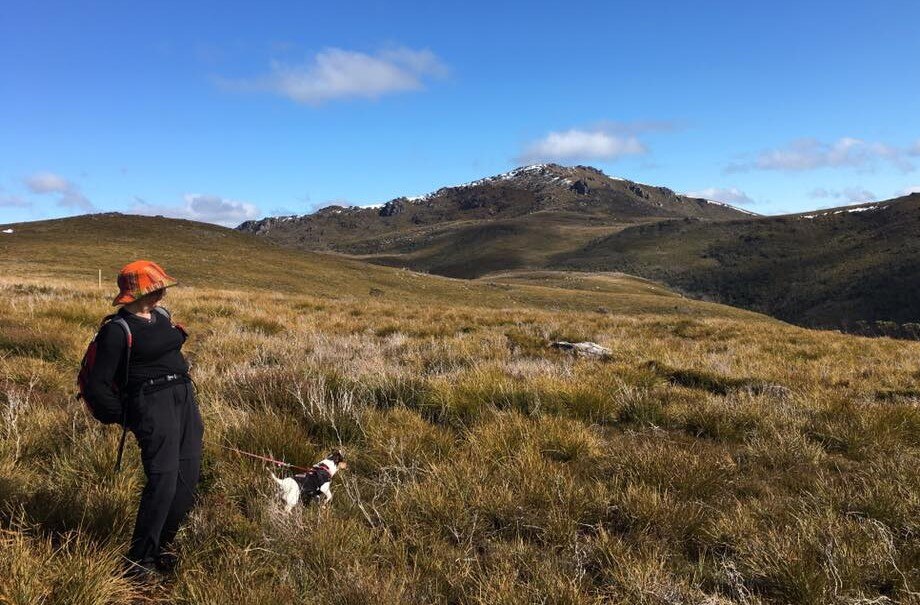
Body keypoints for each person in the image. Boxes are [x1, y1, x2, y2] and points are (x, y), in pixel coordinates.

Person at [85, 260, 203, 578]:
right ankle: (140, 561)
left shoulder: (161, 316)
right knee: (163, 481)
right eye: (155, 289)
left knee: (187, 477)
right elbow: (97, 386)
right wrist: (130, 418)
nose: (162, 293)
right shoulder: (116, 330)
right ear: (137, 293)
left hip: (184, 398)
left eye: (161, 287)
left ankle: (163, 545)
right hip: (152, 403)